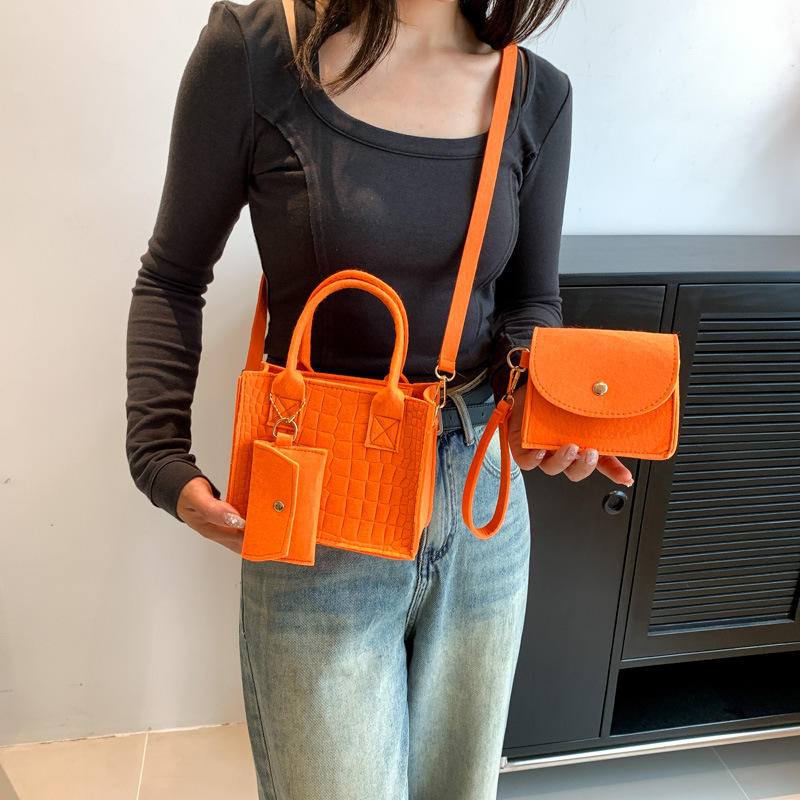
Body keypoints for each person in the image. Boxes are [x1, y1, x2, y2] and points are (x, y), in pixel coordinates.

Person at [125, 0, 634, 796]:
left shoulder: (535, 92)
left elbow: (529, 302)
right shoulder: (256, 52)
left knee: (459, 785)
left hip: (481, 495)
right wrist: (158, 454)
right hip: (319, 494)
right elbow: (172, 276)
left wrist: (541, 407)